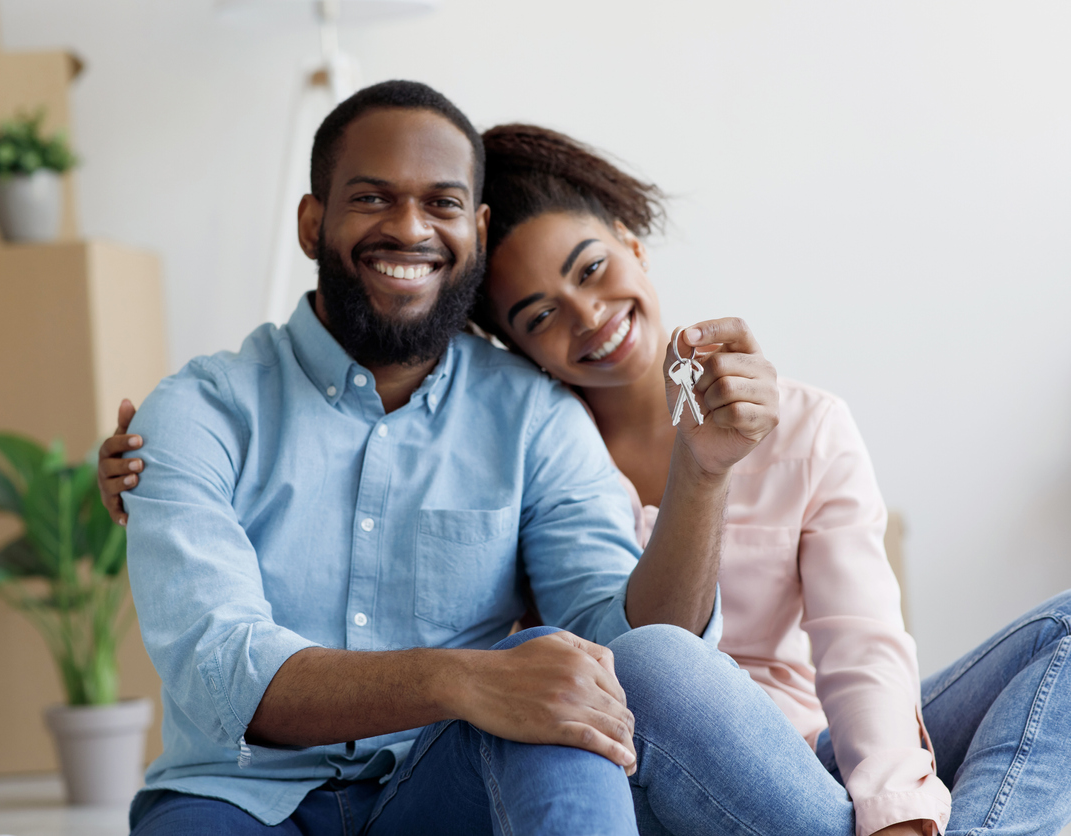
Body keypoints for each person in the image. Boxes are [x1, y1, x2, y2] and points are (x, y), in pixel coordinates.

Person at [103, 115, 1071, 835]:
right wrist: (150, 480)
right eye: (537, 314)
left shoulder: (793, 419)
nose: (587, 316)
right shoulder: (528, 437)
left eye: (593, 267)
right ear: (502, 338)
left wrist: (897, 805)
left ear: (634, 244)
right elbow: (610, 654)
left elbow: (864, 648)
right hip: (643, 763)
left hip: (811, 757)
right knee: (631, 662)